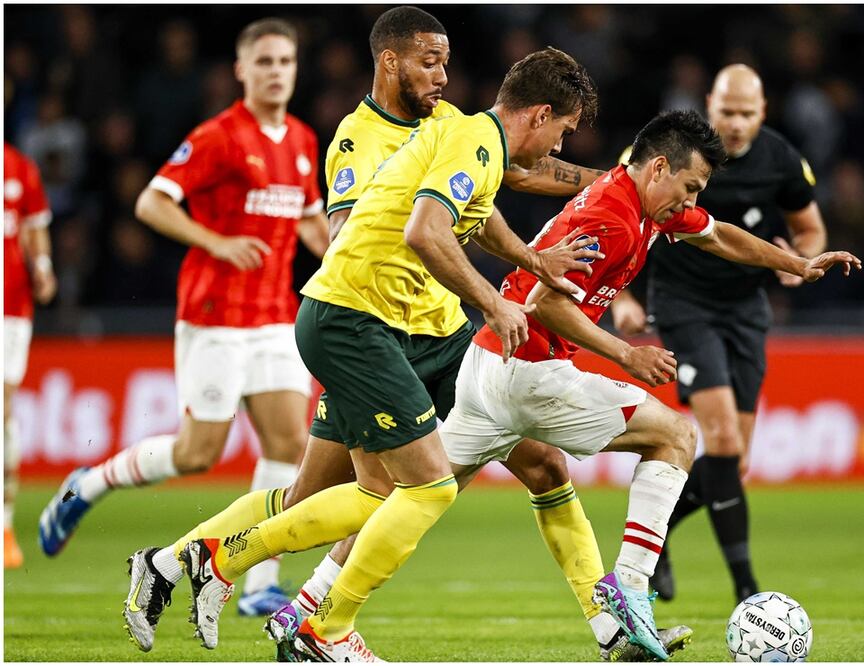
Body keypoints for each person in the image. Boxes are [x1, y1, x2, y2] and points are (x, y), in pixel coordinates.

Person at [132, 46, 601, 662]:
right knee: (418, 488)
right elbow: (392, 230)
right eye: (430, 62)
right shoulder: (361, 139)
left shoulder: (456, 128)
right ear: (390, 62)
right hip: (366, 325)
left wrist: (553, 242)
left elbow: (486, 202)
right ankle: (295, 612)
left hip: (423, 331)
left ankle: (179, 565)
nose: (442, 76)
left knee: (507, 468)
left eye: (447, 62)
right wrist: (491, 300)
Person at [437, 109, 859, 661]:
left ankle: (324, 601)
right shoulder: (613, 215)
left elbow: (719, 235)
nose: (691, 201)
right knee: (676, 437)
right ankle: (632, 588)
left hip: (488, 363)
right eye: (691, 187)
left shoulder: (644, 205)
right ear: (659, 167)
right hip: (529, 370)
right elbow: (546, 304)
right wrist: (625, 354)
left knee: (418, 494)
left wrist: (797, 264)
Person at [38, 18, 330, 616]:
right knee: (198, 454)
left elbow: (308, 220)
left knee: (289, 442)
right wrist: (217, 242)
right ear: (241, 70)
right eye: (265, 61)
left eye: (286, 61)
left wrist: (346, 261)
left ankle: (259, 583)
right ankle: (87, 484)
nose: (277, 72)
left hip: (276, 317)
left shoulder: (302, 139)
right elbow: (151, 202)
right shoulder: (219, 136)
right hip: (215, 315)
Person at [611, 64, 829, 605]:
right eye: (726, 111)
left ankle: (658, 534)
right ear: (709, 104)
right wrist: (625, 298)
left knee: (736, 462)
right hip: (683, 304)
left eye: (746, 113)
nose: (734, 123)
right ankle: (747, 588)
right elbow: (618, 215)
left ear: (763, 112)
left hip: (746, 308)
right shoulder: (670, 152)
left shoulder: (781, 160)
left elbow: (810, 229)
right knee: (724, 443)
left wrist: (798, 259)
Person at [3, 143, 57, 569]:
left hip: (10, 307)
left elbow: (35, 226)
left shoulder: (19, 166)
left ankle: (4, 525)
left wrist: (42, 266)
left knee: (2, 410)